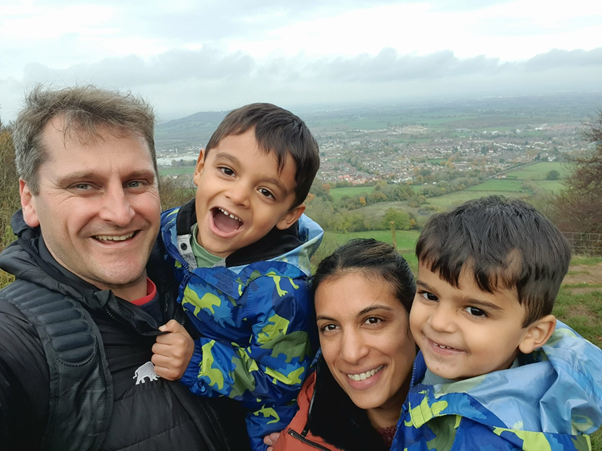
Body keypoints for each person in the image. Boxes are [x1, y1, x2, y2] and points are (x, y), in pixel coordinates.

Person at [0, 85, 250, 450]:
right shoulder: (18, 342)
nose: (120, 213)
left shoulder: (208, 285)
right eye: (84, 185)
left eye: (136, 183)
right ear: (29, 201)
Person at [153, 103, 324, 451]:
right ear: (201, 167)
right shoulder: (168, 227)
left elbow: (280, 381)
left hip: (257, 425)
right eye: (228, 171)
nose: (239, 195)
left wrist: (196, 360)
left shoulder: (281, 291)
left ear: (289, 215)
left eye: (266, 192)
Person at [391, 195, 602, 450]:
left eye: (475, 311)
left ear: (533, 334)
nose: (438, 323)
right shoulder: (466, 358)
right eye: (430, 295)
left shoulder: (491, 442)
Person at [265, 238, 417, 451]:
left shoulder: (475, 425)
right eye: (330, 327)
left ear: (416, 319)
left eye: (373, 320)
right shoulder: (296, 440)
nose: (351, 354)